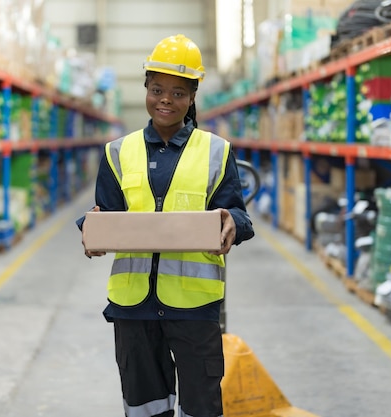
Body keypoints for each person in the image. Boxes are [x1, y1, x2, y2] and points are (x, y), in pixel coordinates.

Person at [77, 34, 254, 417]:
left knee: (201, 407)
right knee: (144, 407)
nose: (165, 100)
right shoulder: (117, 152)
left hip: (194, 305)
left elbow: (237, 214)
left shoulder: (216, 151)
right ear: (145, 88)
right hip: (133, 306)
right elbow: (106, 213)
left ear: (192, 97)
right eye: (157, 89)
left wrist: (232, 224)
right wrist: (90, 231)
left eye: (178, 92)